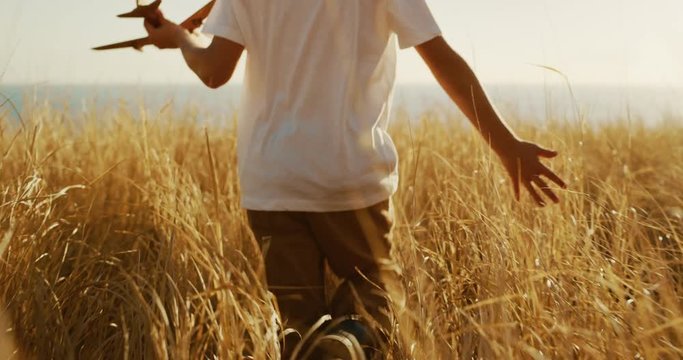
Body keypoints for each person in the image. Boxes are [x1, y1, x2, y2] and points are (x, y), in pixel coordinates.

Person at [144, 0, 566, 358]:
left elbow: (214, 71)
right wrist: (505, 144)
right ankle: (350, 342)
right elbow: (443, 61)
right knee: (378, 303)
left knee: (298, 327)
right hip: (348, 177)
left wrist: (179, 38)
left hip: (272, 181)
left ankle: (321, 343)